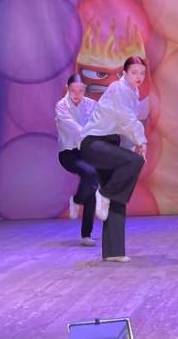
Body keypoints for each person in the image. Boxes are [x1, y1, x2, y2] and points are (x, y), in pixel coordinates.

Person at [80, 56, 148, 262]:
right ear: (124, 73)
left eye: (142, 73)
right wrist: (141, 141)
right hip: (94, 143)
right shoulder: (118, 88)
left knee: (117, 196)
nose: (138, 77)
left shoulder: (132, 92)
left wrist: (134, 145)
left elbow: (122, 128)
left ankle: (114, 252)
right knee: (134, 162)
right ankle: (104, 193)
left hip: (110, 145)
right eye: (134, 72)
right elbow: (126, 119)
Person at [55, 74, 98, 246]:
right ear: (68, 88)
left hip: (86, 152)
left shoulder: (91, 104)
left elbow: (99, 123)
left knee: (92, 188)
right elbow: (73, 127)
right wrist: (89, 133)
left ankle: (86, 234)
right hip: (68, 154)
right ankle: (77, 200)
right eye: (73, 90)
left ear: (85, 90)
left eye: (81, 90)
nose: (77, 94)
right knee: (91, 172)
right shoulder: (61, 106)